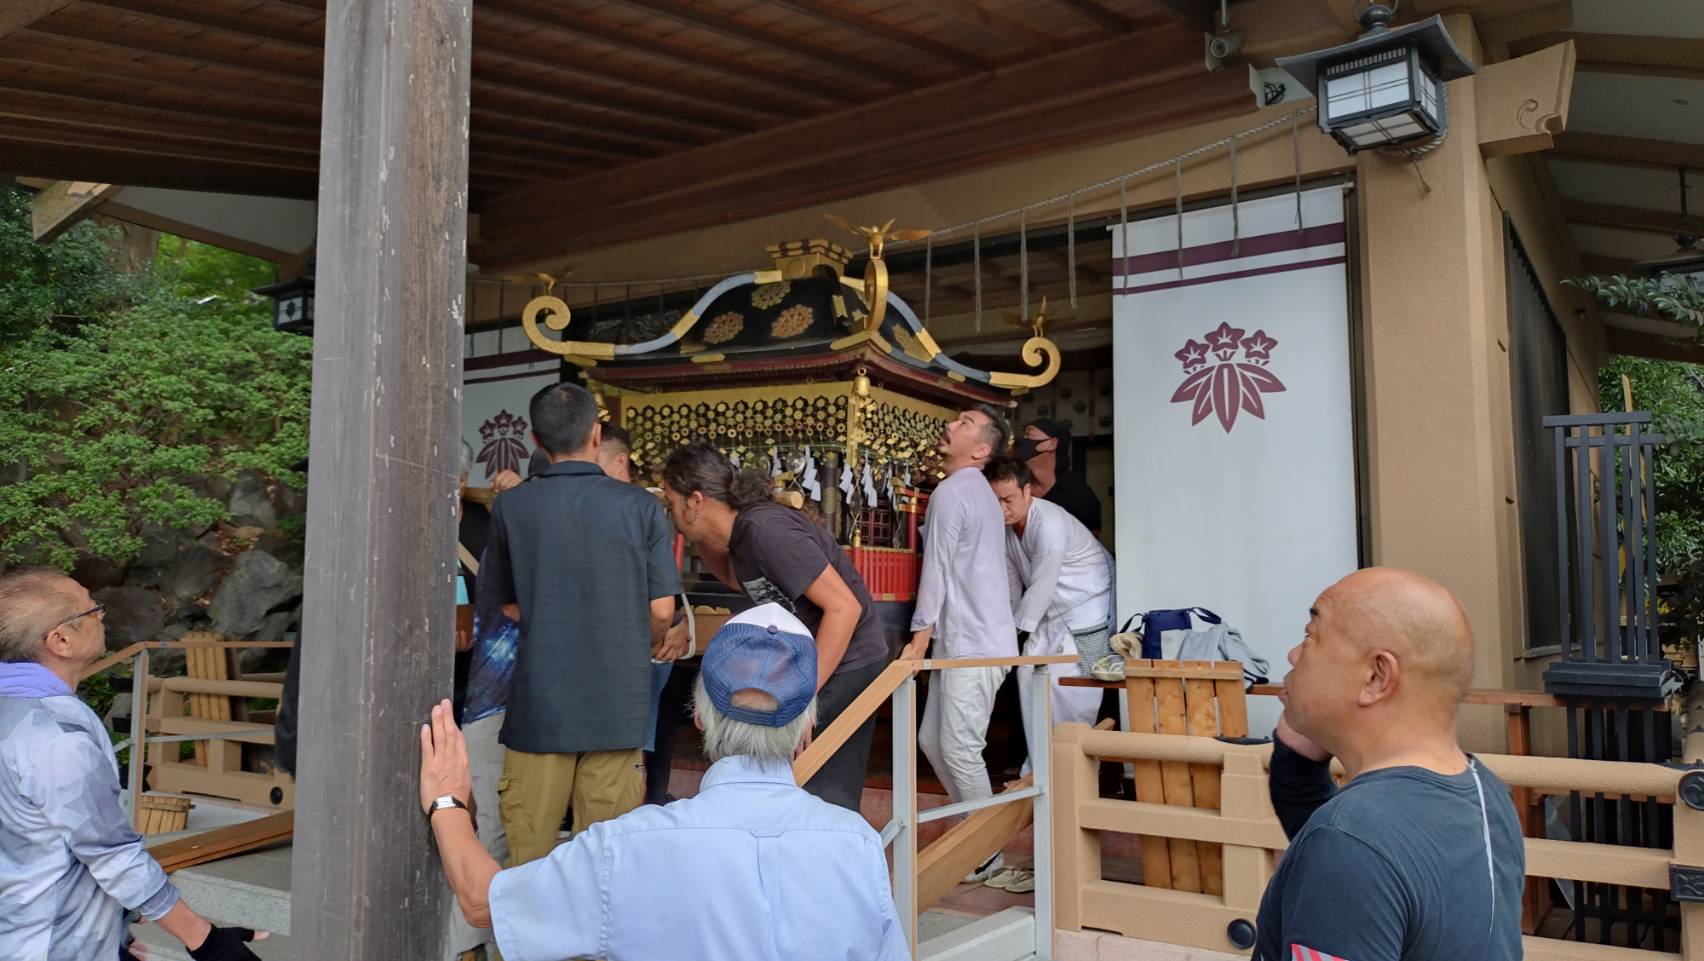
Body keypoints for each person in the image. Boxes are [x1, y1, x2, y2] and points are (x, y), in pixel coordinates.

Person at [420, 604, 909, 961]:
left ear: (698, 716)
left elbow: (483, 900)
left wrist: (447, 799)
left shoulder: (627, 847)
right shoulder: (859, 847)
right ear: (806, 728)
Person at [0, 569, 267, 961]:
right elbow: (111, 854)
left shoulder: (16, 714)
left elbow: (33, 837)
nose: (101, 615)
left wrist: (113, 925)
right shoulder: (56, 736)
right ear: (60, 640)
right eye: (92, 609)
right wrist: (207, 941)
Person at [1259, 567, 1524, 961]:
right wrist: (1297, 765)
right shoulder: (1485, 791)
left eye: (1310, 636)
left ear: (1376, 676)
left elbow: (1356, 859)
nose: (1293, 655)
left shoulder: (1348, 842)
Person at [480, 382, 688, 870]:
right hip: (616, 707)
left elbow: (507, 606)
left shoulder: (512, 506)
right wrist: (633, 640)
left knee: (529, 862)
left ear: (536, 439)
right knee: (605, 863)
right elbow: (663, 611)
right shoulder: (639, 506)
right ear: (596, 434)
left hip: (540, 708)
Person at [661, 440, 890, 812]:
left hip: (847, 657)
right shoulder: (741, 535)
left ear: (696, 500)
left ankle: (827, 845)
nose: (669, 513)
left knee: (817, 780)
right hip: (811, 656)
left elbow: (844, 608)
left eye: (672, 502)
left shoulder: (766, 530)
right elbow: (736, 578)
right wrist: (699, 533)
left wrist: (802, 698)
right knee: (789, 774)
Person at [903, 404, 1015, 883]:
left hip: (976, 642)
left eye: (964, 424)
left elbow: (937, 568)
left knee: (959, 746)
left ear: (982, 449)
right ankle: (977, 835)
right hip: (965, 639)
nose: (950, 425)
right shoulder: (970, 491)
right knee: (932, 740)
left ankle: (986, 849)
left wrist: (918, 639)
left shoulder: (955, 491)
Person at [984, 457, 1110, 767]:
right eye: (994, 500)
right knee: (1029, 674)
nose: (1002, 509)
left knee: (1068, 686)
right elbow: (1013, 585)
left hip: (1089, 607)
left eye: (1008, 500)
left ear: (1027, 491)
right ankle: (1039, 769)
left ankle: (1073, 769)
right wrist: (1005, 622)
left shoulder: (1049, 523)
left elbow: (1041, 584)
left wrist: (1009, 632)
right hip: (1050, 612)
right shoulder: (1006, 529)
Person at [597, 423, 681, 806]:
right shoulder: (639, 507)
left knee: (632, 751)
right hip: (638, 644)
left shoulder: (639, 506)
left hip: (637, 646)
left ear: (620, 461)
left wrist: (668, 628)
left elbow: (665, 602)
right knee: (632, 752)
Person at [1014, 418, 1100, 536]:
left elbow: (1091, 538)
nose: (1022, 441)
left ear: (1052, 444)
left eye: (1029, 435)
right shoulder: (1017, 486)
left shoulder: (1077, 492)